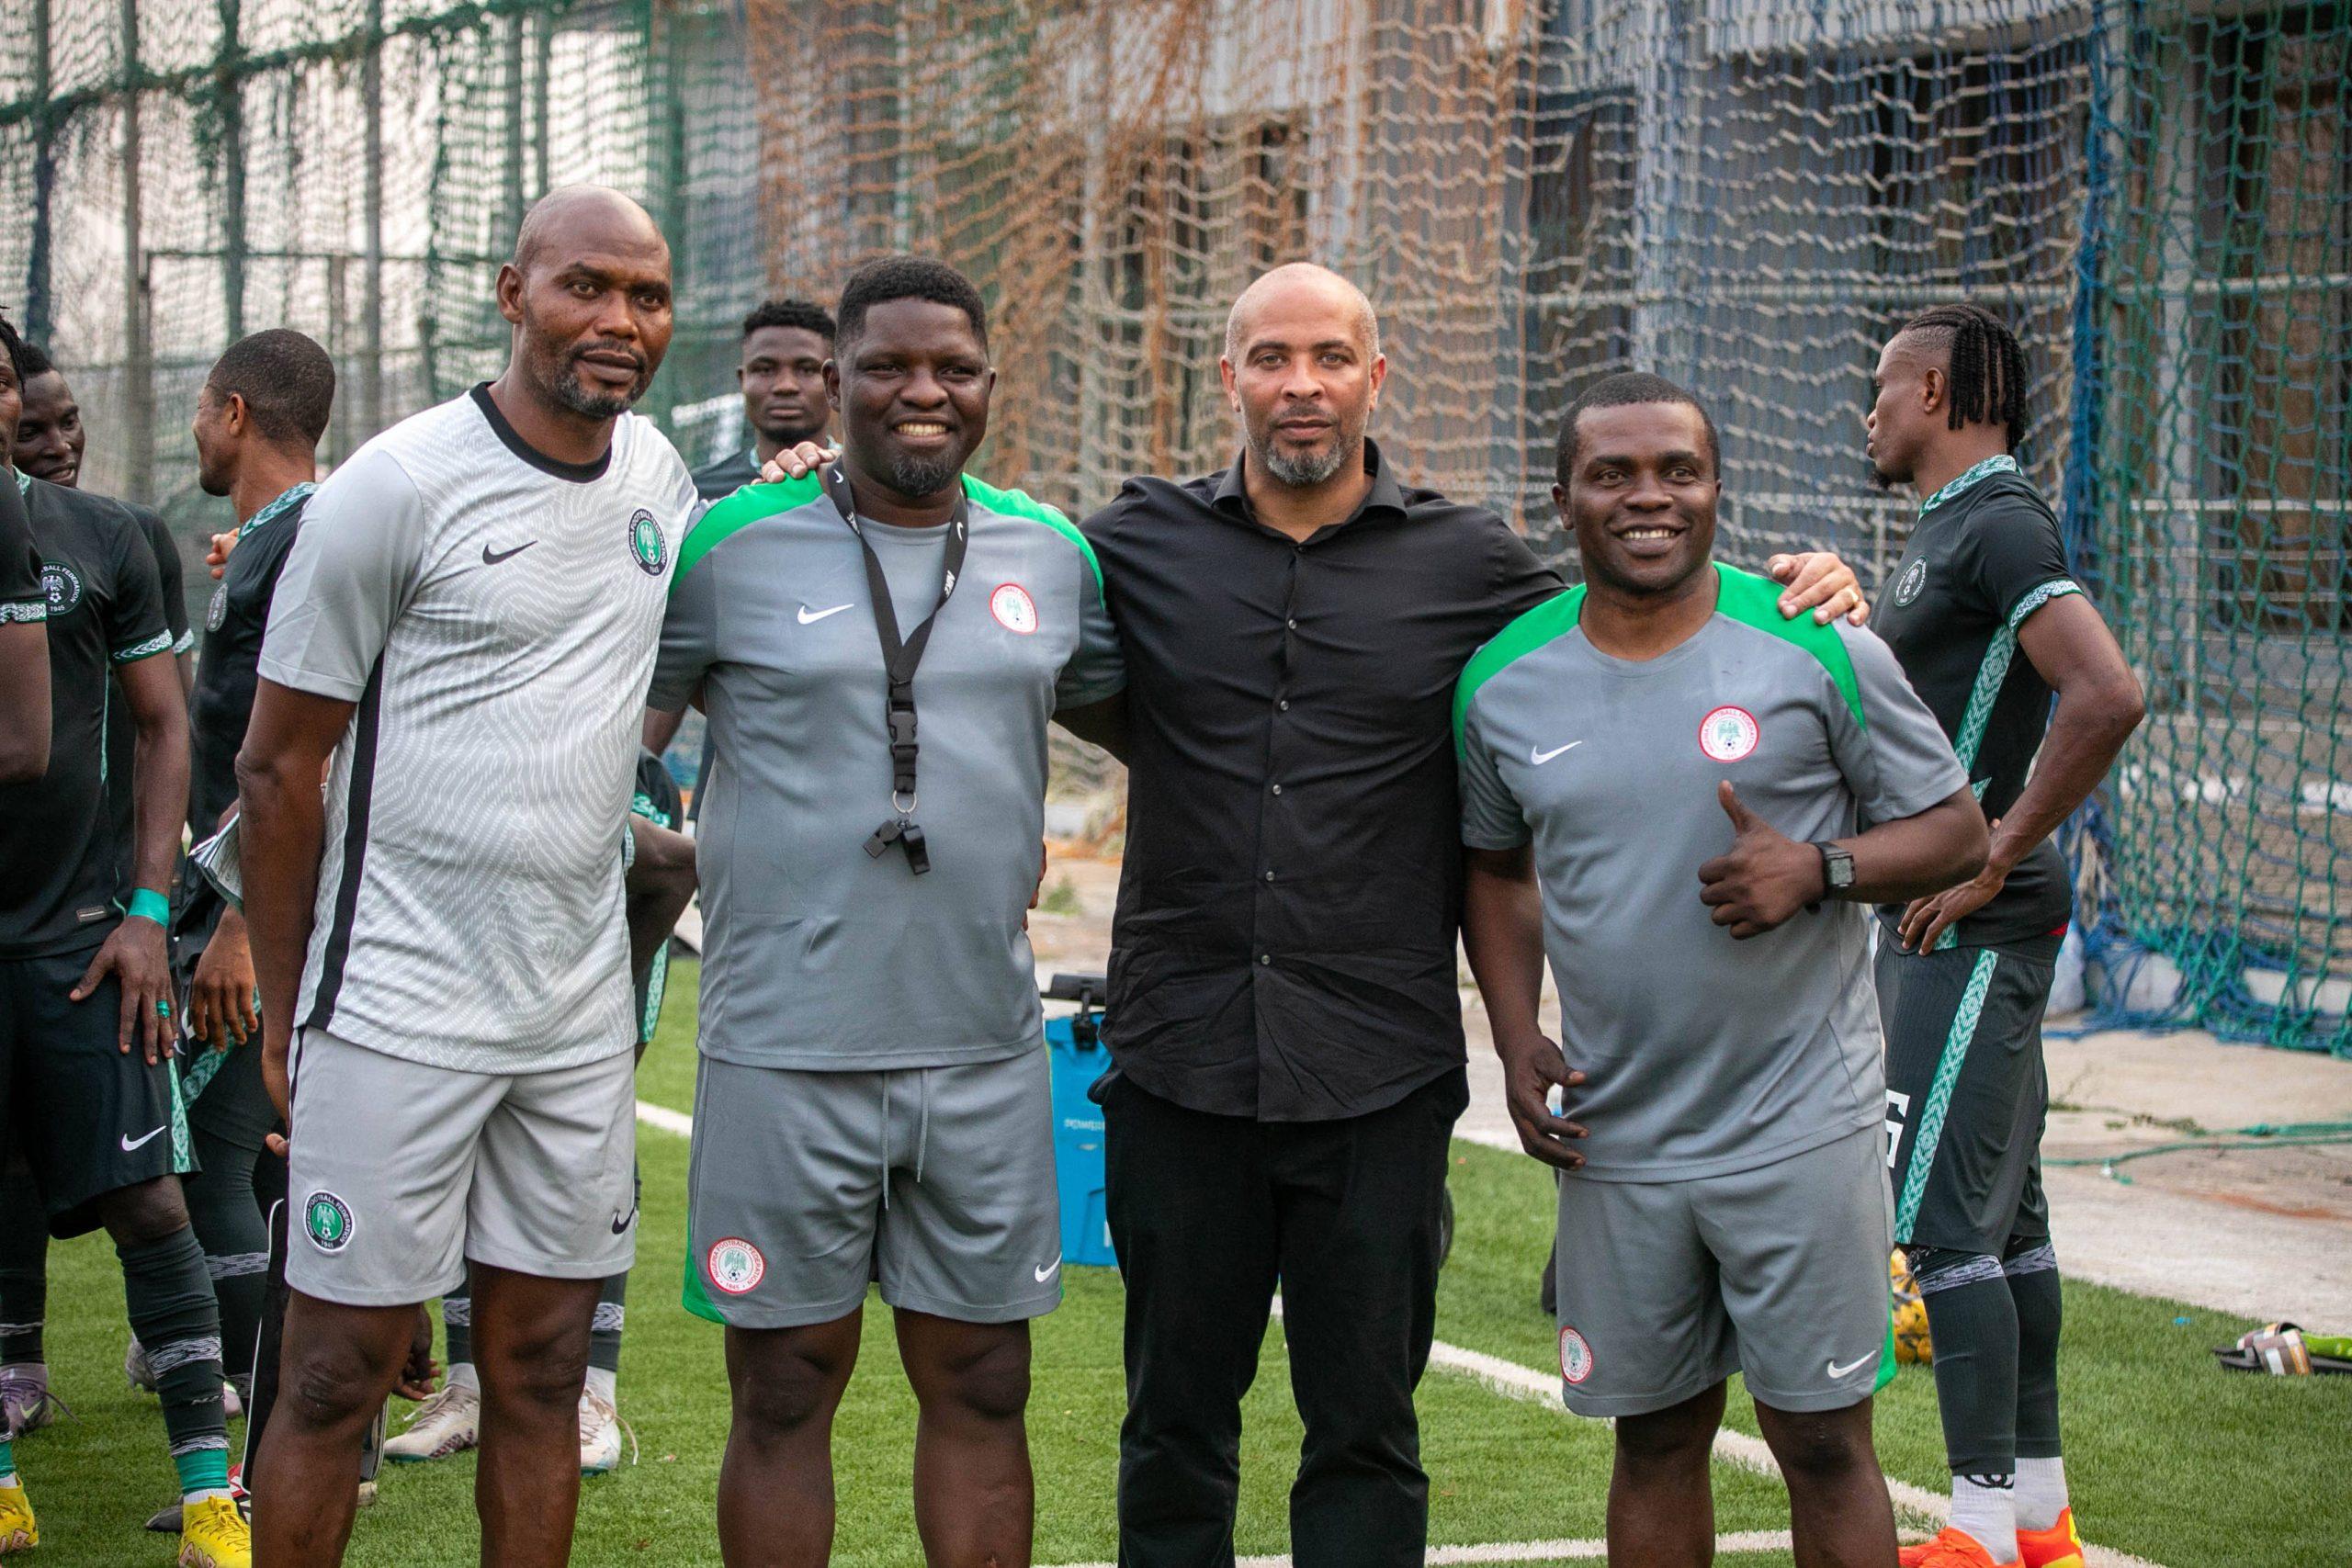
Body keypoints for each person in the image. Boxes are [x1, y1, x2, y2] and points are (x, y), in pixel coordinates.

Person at [757, 262, 1869, 1567]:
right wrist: (819, 484)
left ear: (1375, 379)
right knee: (1174, 1423)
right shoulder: (1129, 544)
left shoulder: (1471, 565)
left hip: (1377, 1071)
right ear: (1228, 377)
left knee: (1366, 1427)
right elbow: (961, 546)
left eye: (1331, 357)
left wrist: (1806, 582)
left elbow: (1634, 597)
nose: (1302, 385)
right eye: (1272, 357)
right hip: (1179, 1063)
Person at [237, 185, 698, 1568]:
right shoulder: (398, 483)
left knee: (546, 1366)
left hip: (569, 1019)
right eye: (586, 286)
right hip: (394, 999)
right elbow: (277, 767)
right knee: (337, 1369)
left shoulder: (664, 482)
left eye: (648, 295)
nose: (618, 319)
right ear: (513, 294)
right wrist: (281, 1004)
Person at [1458, 371, 1989, 1568]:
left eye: (1677, 471)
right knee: (1652, 1436)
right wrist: (1511, 1030)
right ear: (1563, 499)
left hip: (1801, 1115)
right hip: (1618, 1129)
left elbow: (1959, 831)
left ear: (1716, 490)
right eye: (1614, 474)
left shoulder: (1816, 643)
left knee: (1822, 1440)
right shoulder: (1500, 682)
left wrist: (1824, 867)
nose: (1649, 497)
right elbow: (1493, 868)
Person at [651, 254, 1123, 1568]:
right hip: (782, 1046)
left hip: (980, 1045)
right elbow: (618, 739)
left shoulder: (1053, 553)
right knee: (788, 1385)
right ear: (833, 386)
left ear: (987, 384)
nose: (924, 391)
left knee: (983, 1381)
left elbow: (1161, 720)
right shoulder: (728, 547)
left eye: (953, 368)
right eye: (889, 367)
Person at [1864, 307, 2143, 1568]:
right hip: (1948, 920)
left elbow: (2108, 689)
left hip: (1971, 929)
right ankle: (2039, 1517)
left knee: (1939, 1226)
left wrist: (1997, 848)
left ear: (1933, 388)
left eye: (1882, 388)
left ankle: (1975, 1524)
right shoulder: (1950, 529)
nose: (1869, 411)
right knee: (2009, 1221)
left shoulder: (2001, 519)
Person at [0, 308, 246, 1566]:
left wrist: (152, 909)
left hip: (85, 940)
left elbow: (163, 728)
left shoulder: (108, 539)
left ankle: (211, 1499)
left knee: (154, 1199)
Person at [386, 748, 694, 1475]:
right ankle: (467, 1389)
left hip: (605, 788)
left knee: (596, 1128)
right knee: (477, 1127)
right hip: (486, 842)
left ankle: (594, 1396)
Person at [157, 331, 337, 1443]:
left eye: (197, 409)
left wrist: (236, 919)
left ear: (233, 412)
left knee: (217, 1160)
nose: (192, 430)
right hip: (252, 894)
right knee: (260, 1161)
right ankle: (306, 1427)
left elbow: (309, 748)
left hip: (268, 908)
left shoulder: (308, 537)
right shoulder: (273, 541)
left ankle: (276, 1432)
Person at [689, 298, 836, 502]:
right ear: (742, 380)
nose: (786, 386)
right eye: (766, 370)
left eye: (806, 369)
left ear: (834, 382)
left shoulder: (867, 488)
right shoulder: (698, 495)